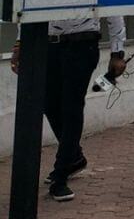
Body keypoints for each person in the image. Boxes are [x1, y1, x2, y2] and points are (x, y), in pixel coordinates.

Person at [10, 15, 127, 202]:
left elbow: (114, 14)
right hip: (49, 45)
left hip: (82, 44)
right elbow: (28, 8)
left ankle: (60, 176)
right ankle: (74, 158)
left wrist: (117, 52)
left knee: (71, 107)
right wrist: (20, 43)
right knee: (49, 104)